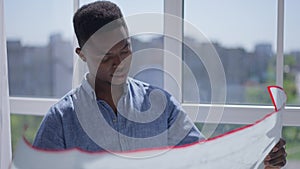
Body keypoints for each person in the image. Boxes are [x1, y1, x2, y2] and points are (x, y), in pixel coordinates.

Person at [33, 1, 286, 168]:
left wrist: (261, 158)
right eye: (106, 57)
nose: (119, 63)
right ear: (82, 55)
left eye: (125, 49)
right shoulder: (61, 120)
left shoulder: (161, 105)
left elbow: (205, 161)